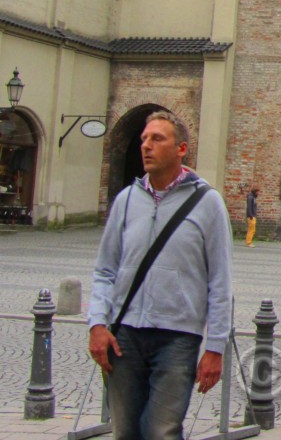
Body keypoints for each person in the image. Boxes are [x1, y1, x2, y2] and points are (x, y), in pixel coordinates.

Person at [87, 111, 232, 439]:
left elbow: (220, 280)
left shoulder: (208, 203)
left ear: (181, 149)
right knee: (125, 432)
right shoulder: (125, 201)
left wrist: (216, 347)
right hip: (125, 334)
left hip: (178, 336)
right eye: (143, 140)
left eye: (157, 139)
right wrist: (97, 323)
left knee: (160, 430)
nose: (146, 146)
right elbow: (105, 269)